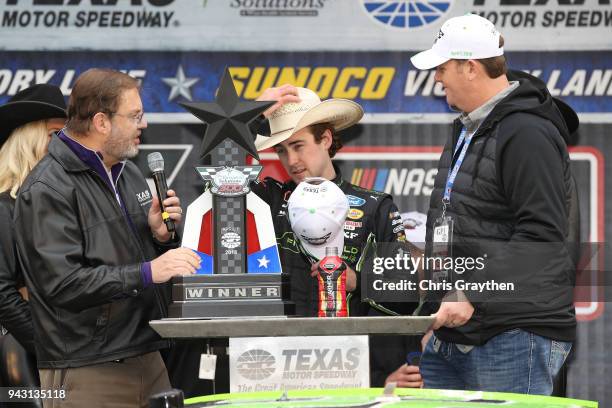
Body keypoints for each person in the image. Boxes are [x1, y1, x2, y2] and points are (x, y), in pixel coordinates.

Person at [13, 69, 201, 408]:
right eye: (134, 116)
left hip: (145, 352)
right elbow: (61, 284)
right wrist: (147, 271)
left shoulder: (125, 173)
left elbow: (127, 259)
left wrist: (158, 237)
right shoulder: (48, 187)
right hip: (88, 368)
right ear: (101, 122)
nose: (143, 124)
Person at [410, 14, 575, 394]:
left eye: (442, 67)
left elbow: (541, 236)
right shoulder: (469, 128)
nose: (436, 77)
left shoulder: (527, 132)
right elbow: (456, 228)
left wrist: (471, 292)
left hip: (513, 335)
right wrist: (432, 319)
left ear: (469, 67)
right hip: (455, 332)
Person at [252, 85, 423, 388]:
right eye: (281, 150)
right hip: (279, 368)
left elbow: (405, 293)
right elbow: (220, 181)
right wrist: (251, 116)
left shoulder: (375, 207)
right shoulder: (268, 200)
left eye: (298, 145)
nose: (291, 160)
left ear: (326, 139)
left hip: (357, 371)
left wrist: (356, 280)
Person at [0, 84, 67, 408]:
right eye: (56, 134)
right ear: (29, 140)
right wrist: (49, 347)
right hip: (20, 354)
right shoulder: (3, 208)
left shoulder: (58, 205)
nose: (65, 145)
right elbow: (2, 292)